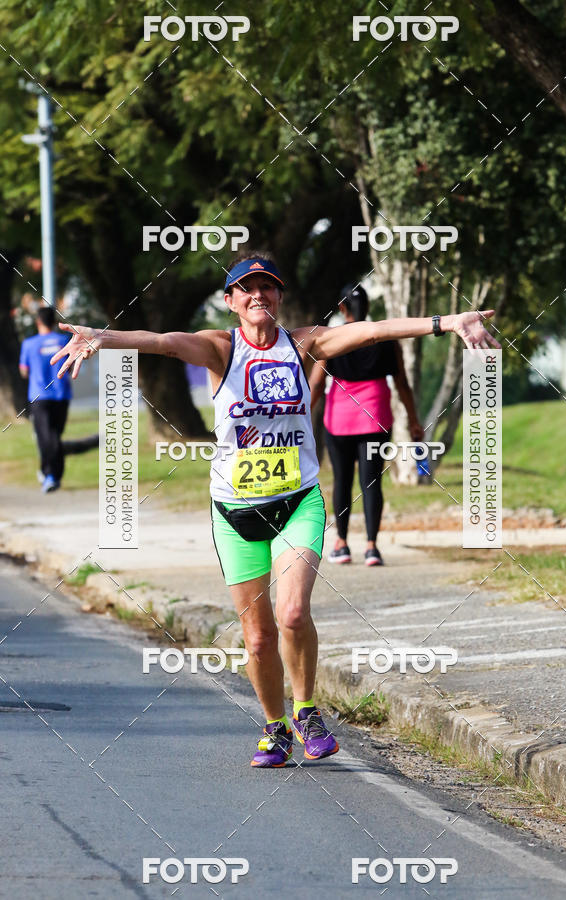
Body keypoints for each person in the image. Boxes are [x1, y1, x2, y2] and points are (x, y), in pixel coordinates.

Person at [50, 252, 500, 768]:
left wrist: (448, 322)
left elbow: (374, 331)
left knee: (291, 612)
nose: (257, 295)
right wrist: (106, 337)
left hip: (297, 503)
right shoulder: (221, 348)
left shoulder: (303, 343)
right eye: (246, 288)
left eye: (267, 287)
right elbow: (164, 343)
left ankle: (306, 710)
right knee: (258, 636)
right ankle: (274, 727)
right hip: (235, 512)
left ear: (279, 297)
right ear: (231, 301)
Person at [310, 284, 423, 567]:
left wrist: (299, 417)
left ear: (342, 308)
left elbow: (315, 384)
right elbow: (403, 385)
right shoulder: (385, 339)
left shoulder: (332, 339)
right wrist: (414, 420)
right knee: (372, 482)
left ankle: (342, 544)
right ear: (368, 308)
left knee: (342, 482)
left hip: (339, 420)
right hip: (375, 416)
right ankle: (372, 548)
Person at [19, 305, 98, 493]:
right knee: (53, 435)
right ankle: (50, 474)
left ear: (38, 322)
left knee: (48, 437)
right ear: (54, 323)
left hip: (39, 396)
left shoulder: (29, 344)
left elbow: (24, 371)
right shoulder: (64, 341)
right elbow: (72, 367)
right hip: (61, 395)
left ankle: (50, 474)